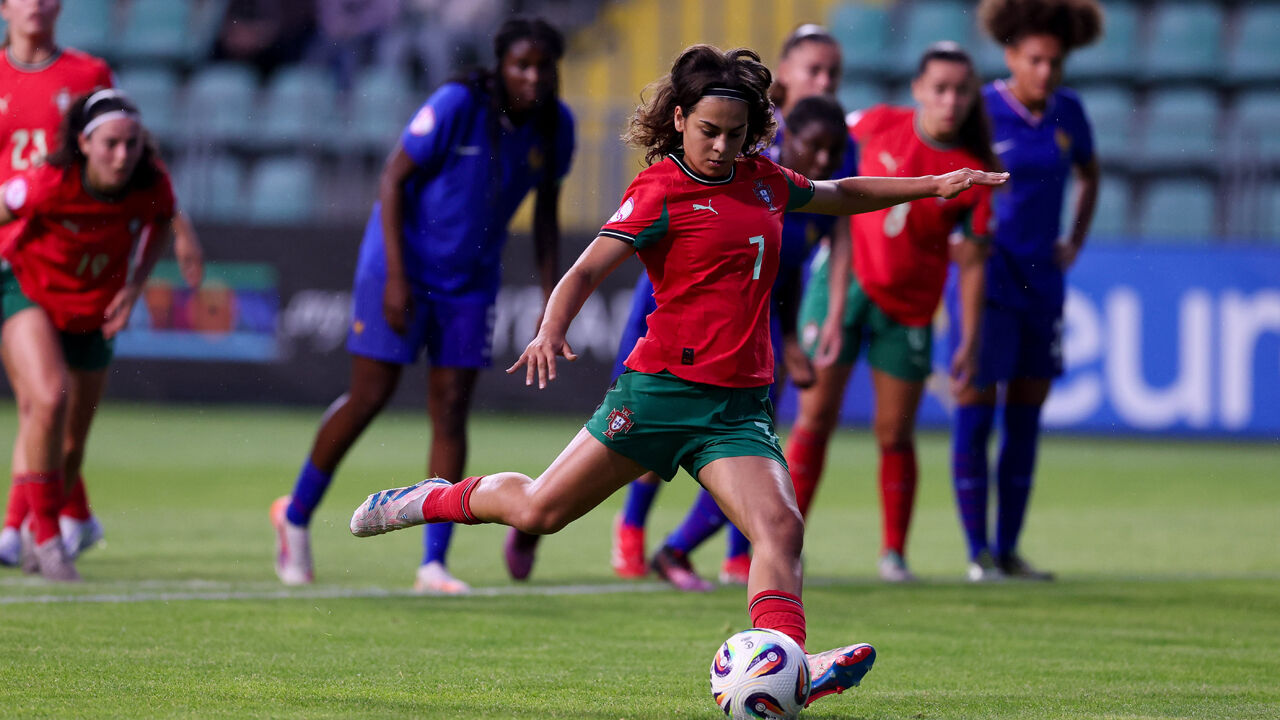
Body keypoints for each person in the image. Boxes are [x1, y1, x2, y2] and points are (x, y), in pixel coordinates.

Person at [347, 44, 1004, 705]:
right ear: (682, 118)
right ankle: (431, 498)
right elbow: (585, 271)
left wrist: (934, 184)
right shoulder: (658, 189)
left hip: (736, 410)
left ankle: (793, 669)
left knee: (780, 529)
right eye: (710, 131)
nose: (721, 146)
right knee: (538, 512)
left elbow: (839, 193)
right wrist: (551, 327)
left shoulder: (765, 181)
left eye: (736, 135)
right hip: (658, 395)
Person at [271, 17, 574, 594]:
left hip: (471, 281)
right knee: (370, 395)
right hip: (399, 267)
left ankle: (433, 562)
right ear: (500, 65)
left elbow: (546, 217)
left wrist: (550, 295)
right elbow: (392, 180)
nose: (532, 76)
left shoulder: (555, 127)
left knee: (453, 406)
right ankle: (296, 516)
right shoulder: (458, 103)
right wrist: (395, 278)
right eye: (521, 64)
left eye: (543, 66)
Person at [607, 25, 851, 591]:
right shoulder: (720, 155)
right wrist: (553, 323)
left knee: (752, 459)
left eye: (833, 74)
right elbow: (597, 262)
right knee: (641, 454)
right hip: (683, 317)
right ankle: (630, 530)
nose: (825, 82)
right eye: (813, 70)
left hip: (761, 316)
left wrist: (809, 327)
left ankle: (738, 560)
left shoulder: (793, 158)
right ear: (785, 72)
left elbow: (842, 210)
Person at [0, 0, 203, 568]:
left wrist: (181, 231)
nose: (36, 4)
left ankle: (47, 524)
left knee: (51, 414)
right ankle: (33, 532)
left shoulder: (89, 77)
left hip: (84, 271)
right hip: (19, 253)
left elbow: (135, 150)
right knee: (44, 398)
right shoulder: (44, 180)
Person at [784, 42, 997, 583]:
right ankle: (784, 543)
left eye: (960, 91)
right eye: (940, 88)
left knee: (894, 432)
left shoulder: (975, 173)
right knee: (814, 419)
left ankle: (894, 555)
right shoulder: (873, 123)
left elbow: (972, 265)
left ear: (973, 97)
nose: (950, 100)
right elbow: (813, 145)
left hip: (909, 310)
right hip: (843, 289)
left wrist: (968, 339)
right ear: (918, 90)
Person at [949, 0, 1101, 582]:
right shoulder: (982, 110)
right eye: (1035, 59)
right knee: (977, 410)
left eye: (1054, 62)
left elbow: (1092, 173)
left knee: (1026, 417)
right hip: (988, 279)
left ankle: (1009, 550)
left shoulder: (1070, 114)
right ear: (1011, 56)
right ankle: (976, 552)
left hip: (1044, 284)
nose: (1045, 71)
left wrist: (1076, 239)